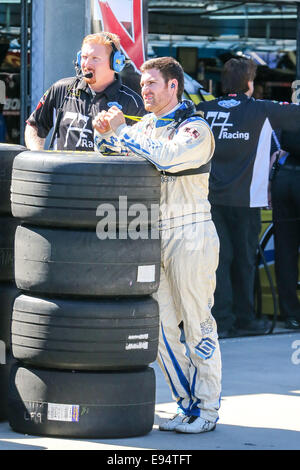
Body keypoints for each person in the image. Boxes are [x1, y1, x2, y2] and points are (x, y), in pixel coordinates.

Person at [92, 57, 222, 434]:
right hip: (151, 233)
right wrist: (104, 133)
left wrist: (122, 130)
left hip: (192, 232)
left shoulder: (195, 128)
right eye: (143, 84)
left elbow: (164, 156)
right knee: (161, 328)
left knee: (198, 324)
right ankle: (187, 406)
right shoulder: (147, 125)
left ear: (173, 87)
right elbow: (114, 155)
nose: (144, 90)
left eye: (152, 84)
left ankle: (209, 408)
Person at [197, 57, 300, 338]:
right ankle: (245, 318)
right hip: (247, 201)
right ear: (250, 84)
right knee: (243, 261)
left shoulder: (203, 110)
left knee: (219, 262)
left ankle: (222, 320)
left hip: (212, 200)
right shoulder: (264, 110)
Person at [25, 32, 146, 151]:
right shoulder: (62, 88)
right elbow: (35, 125)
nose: (86, 64)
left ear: (116, 63)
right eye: (84, 57)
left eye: (95, 59)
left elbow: (142, 147)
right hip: (62, 171)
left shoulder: (132, 102)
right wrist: (37, 154)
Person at [271, 129, 300, 329]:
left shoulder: (290, 113)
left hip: (283, 178)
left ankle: (291, 314)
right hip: (290, 179)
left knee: (286, 252)